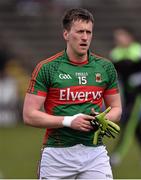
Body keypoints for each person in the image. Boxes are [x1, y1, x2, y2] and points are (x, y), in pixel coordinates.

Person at [23, 8, 122, 179]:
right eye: (79, 31)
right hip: (57, 154)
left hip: (94, 153)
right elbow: (29, 115)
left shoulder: (105, 67)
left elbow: (117, 108)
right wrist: (69, 121)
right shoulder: (47, 68)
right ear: (66, 34)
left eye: (88, 32)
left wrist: (103, 120)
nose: (85, 37)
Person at [109, 27, 141, 167]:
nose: (118, 39)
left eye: (121, 36)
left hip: (138, 95)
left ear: (130, 37)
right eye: (116, 36)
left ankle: (117, 155)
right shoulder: (115, 53)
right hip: (125, 96)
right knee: (136, 126)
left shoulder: (140, 50)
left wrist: (136, 79)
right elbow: (113, 75)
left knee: (128, 123)